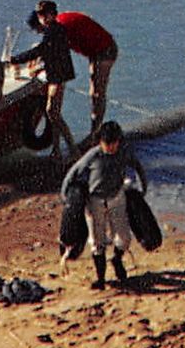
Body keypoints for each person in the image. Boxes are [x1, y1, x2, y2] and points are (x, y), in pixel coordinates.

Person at [60, 120, 147, 289]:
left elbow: (138, 167)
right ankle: (100, 279)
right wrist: (67, 201)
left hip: (117, 198)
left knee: (124, 238)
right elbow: (73, 173)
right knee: (97, 241)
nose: (110, 147)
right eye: (107, 144)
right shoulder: (93, 155)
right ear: (101, 141)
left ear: (118, 141)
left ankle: (117, 259)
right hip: (95, 202)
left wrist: (142, 190)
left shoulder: (124, 153)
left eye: (113, 143)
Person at [28, 6, 118, 133]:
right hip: (93, 50)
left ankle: (95, 134)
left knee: (97, 92)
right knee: (94, 92)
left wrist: (41, 66)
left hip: (105, 50)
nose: (42, 34)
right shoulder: (56, 25)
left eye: (40, 31)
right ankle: (94, 133)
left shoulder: (61, 28)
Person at [8, 0, 78, 163]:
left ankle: (72, 149)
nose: (41, 18)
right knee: (53, 113)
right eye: (39, 15)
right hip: (56, 73)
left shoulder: (53, 31)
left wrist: (16, 60)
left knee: (52, 112)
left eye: (44, 15)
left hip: (58, 76)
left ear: (52, 15)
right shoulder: (54, 30)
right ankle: (56, 150)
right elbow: (48, 52)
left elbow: (41, 50)